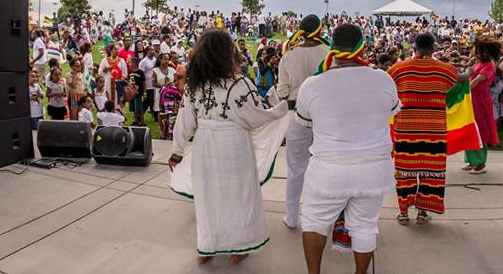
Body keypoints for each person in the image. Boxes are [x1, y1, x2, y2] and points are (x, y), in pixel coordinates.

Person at [169, 29, 288, 264]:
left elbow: (184, 119)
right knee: (238, 196)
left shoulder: (195, 84)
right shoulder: (241, 83)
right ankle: (238, 248)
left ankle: (208, 247)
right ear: (228, 53)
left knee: (208, 196)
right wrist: (280, 110)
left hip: (205, 145)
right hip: (234, 146)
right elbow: (255, 117)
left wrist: (177, 151)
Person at [296, 23, 400, 274]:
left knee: (314, 222)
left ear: (332, 47)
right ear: (362, 48)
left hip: (329, 171)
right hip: (373, 170)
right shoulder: (383, 79)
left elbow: (305, 121)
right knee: (365, 226)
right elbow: (392, 110)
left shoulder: (312, 84)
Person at [388, 33, 457, 225]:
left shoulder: (398, 69)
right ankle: (422, 212)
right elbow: (460, 80)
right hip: (434, 132)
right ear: (434, 49)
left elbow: (386, 84)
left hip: (406, 130)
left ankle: (403, 212)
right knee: (431, 172)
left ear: (414, 48)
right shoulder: (445, 70)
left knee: (404, 171)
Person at [278, 15, 330, 230]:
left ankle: (292, 216)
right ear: (319, 30)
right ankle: (322, 216)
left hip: (295, 114)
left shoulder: (288, 56)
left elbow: (282, 91)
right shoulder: (328, 53)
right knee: (326, 167)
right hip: (324, 116)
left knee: (295, 169)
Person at [463, 36, 501, 173]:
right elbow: (468, 76)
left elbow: (476, 81)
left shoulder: (489, 65)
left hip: (480, 100)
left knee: (480, 130)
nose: (475, 52)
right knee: (469, 128)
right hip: (471, 99)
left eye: (477, 50)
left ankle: (480, 163)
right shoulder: (478, 63)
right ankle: (471, 160)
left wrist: (463, 91)